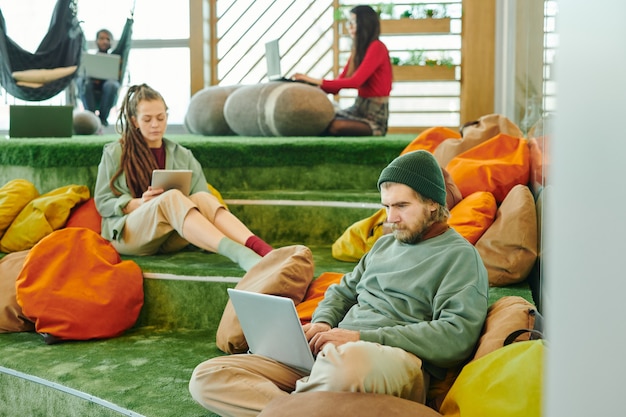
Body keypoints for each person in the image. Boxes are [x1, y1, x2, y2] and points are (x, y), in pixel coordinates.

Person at [188, 150, 489, 417]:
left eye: (401, 206)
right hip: (332, 355)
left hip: (388, 361)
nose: (391, 218)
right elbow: (343, 291)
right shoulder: (384, 246)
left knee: (347, 363)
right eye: (386, 207)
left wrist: (360, 337)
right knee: (208, 377)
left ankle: (301, 402)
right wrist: (322, 323)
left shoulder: (460, 257)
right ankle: (313, 405)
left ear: (433, 204)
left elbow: (455, 336)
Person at [94, 84, 273, 272]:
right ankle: (239, 254)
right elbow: (103, 201)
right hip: (129, 236)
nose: (155, 124)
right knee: (171, 197)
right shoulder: (115, 153)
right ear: (134, 121)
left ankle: (262, 249)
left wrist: (181, 203)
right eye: (147, 119)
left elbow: (203, 201)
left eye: (160, 118)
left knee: (203, 198)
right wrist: (138, 204)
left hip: (171, 235)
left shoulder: (182, 155)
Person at [292, 5, 392, 137]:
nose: (349, 26)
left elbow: (355, 82)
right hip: (358, 109)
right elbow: (337, 86)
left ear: (364, 24)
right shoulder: (358, 50)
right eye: (348, 22)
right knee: (318, 120)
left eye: (352, 22)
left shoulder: (377, 47)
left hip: (375, 117)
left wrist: (311, 79)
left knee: (334, 127)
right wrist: (308, 87)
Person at [77, 29, 121, 127]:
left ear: (111, 43)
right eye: (101, 38)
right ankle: (91, 118)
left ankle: (102, 119)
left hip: (108, 87)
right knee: (83, 81)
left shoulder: (115, 59)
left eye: (107, 39)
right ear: (96, 41)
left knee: (111, 84)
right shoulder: (89, 59)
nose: (104, 41)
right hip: (90, 86)